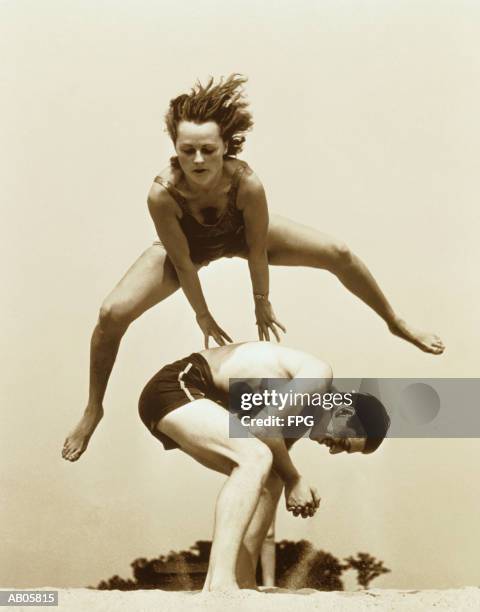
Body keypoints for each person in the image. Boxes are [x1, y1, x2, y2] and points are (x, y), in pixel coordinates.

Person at [63, 74, 441, 463]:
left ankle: (395, 321)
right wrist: (203, 315)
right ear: (175, 147)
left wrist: (262, 300)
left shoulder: (246, 182)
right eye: (187, 150)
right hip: (188, 250)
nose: (198, 160)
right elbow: (181, 262)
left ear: (225, 146)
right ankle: (94, 408)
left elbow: (257, 249)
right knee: (111, 313)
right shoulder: (162, 192)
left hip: (241, 235)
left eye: (208, 150)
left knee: (338, 251)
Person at [64, 340, 391, 591]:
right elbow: (263, 430)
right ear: (346, 413)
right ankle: (219, 582)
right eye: (343, 443)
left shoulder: (301, 418)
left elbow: (266, 480)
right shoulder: (319, 377)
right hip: (177, 385)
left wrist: (285, 481)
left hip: (188, 399)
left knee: (268, 475)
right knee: (258, 458)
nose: (333, 451)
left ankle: (240, 581)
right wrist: (295, 479)